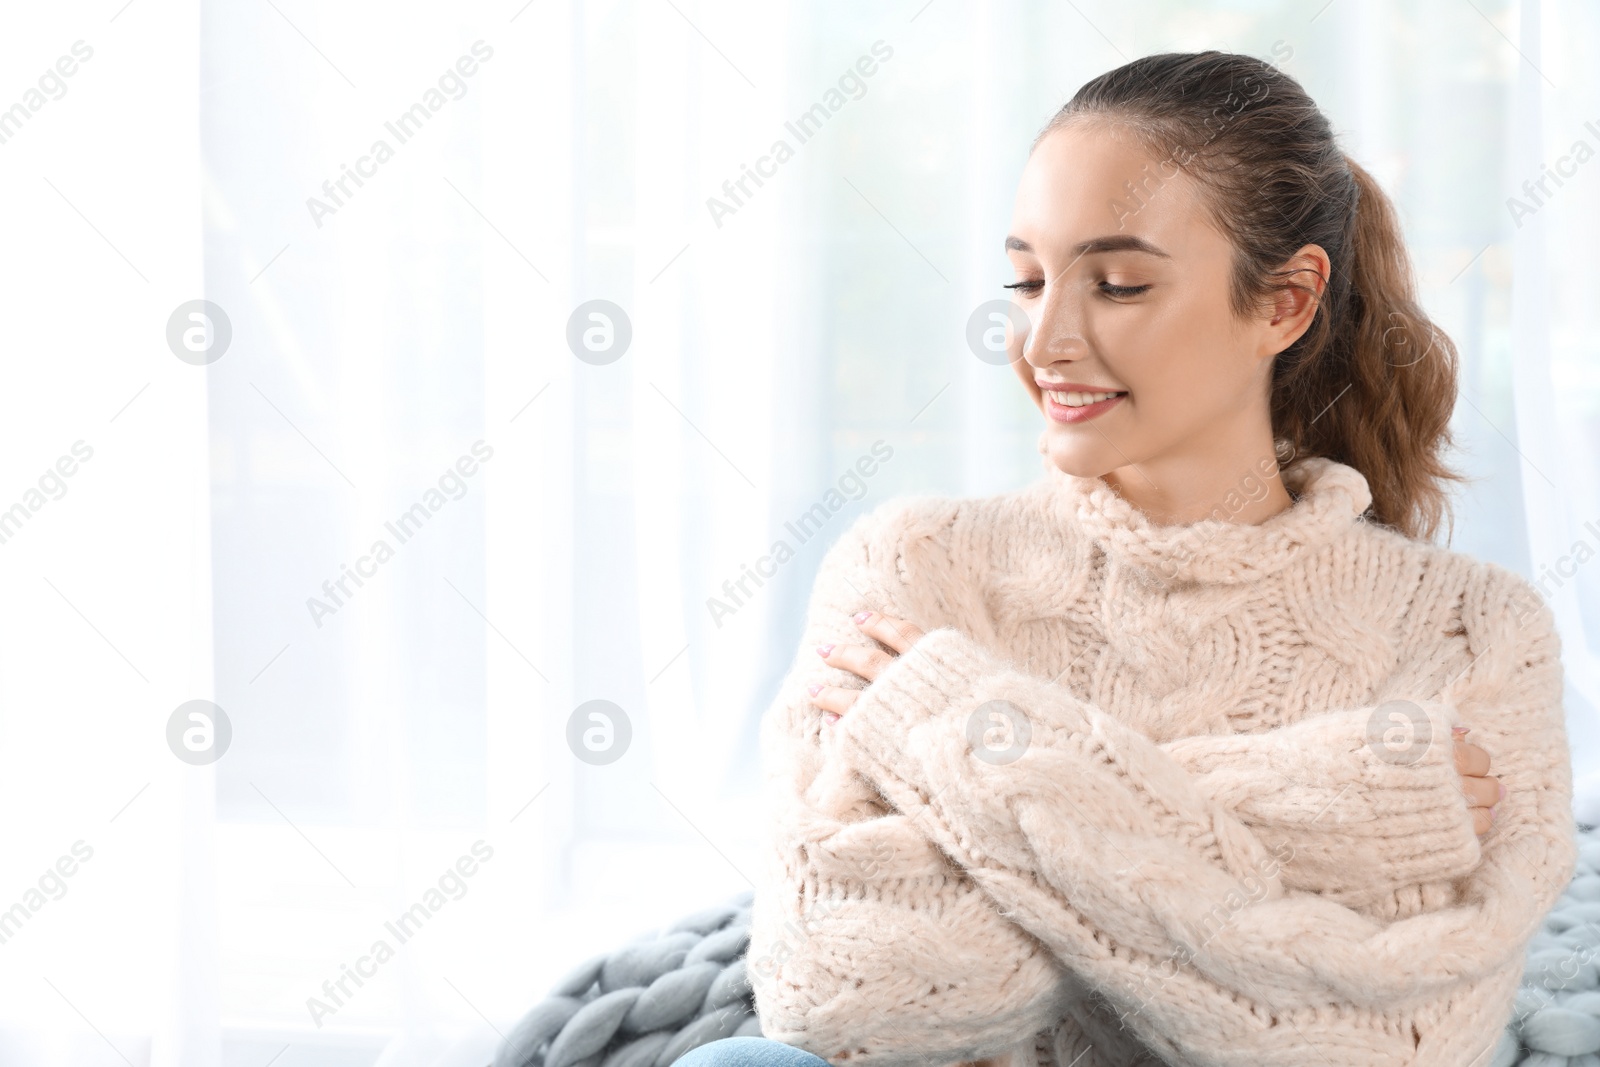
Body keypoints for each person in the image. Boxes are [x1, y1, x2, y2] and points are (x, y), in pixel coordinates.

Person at [713, 50, 1573, 1067]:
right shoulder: (913, 568)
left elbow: (1393, 1044)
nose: (1043, 340)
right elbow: (847, 997)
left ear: (1285, 302)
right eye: (1026, 279)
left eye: (1117, 284)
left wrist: (963, 739)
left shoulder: (1472, 631)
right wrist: (1329, 802)